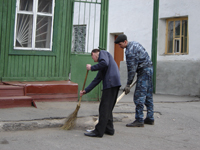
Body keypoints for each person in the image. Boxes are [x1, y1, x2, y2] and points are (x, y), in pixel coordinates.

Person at [114, 34, 154, 127]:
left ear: (125, 42)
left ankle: (139, 120)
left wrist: (128, 84)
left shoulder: (130, 51)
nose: (120, 47)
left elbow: (131, 69)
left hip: (143, 72)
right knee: (148, 94)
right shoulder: (135, 44)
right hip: (149, 69)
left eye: (120, 44)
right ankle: (150, 118)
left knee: (139, 96)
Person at [80, 49, 121, 138]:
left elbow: (104, 63)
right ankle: (109, 129)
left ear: (94, 53)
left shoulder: (103, 53)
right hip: (114, 83)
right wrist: (86, 90)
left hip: (110, 83)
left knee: (103, 108)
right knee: (108, 108)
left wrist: (91, 68)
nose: (94, 60)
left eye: (93, 57)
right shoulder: (103, 65)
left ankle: (98, 131)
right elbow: (97, 80)